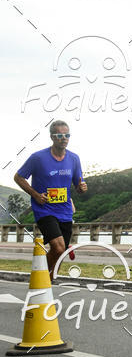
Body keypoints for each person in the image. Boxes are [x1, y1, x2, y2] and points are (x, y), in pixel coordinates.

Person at [14, 120, 87, 279]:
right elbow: (18, 177)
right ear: (52, 137)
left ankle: (48, 285)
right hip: (44, 209)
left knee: (61, 253)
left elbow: (78, 184)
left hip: (65, 211)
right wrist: (35, 195)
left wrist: (81, 188)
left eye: (67, 135)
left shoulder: (74, 159)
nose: (64, 138)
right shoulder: (38, 158)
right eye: (60, 135)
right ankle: (38, 277)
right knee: (59, 247)